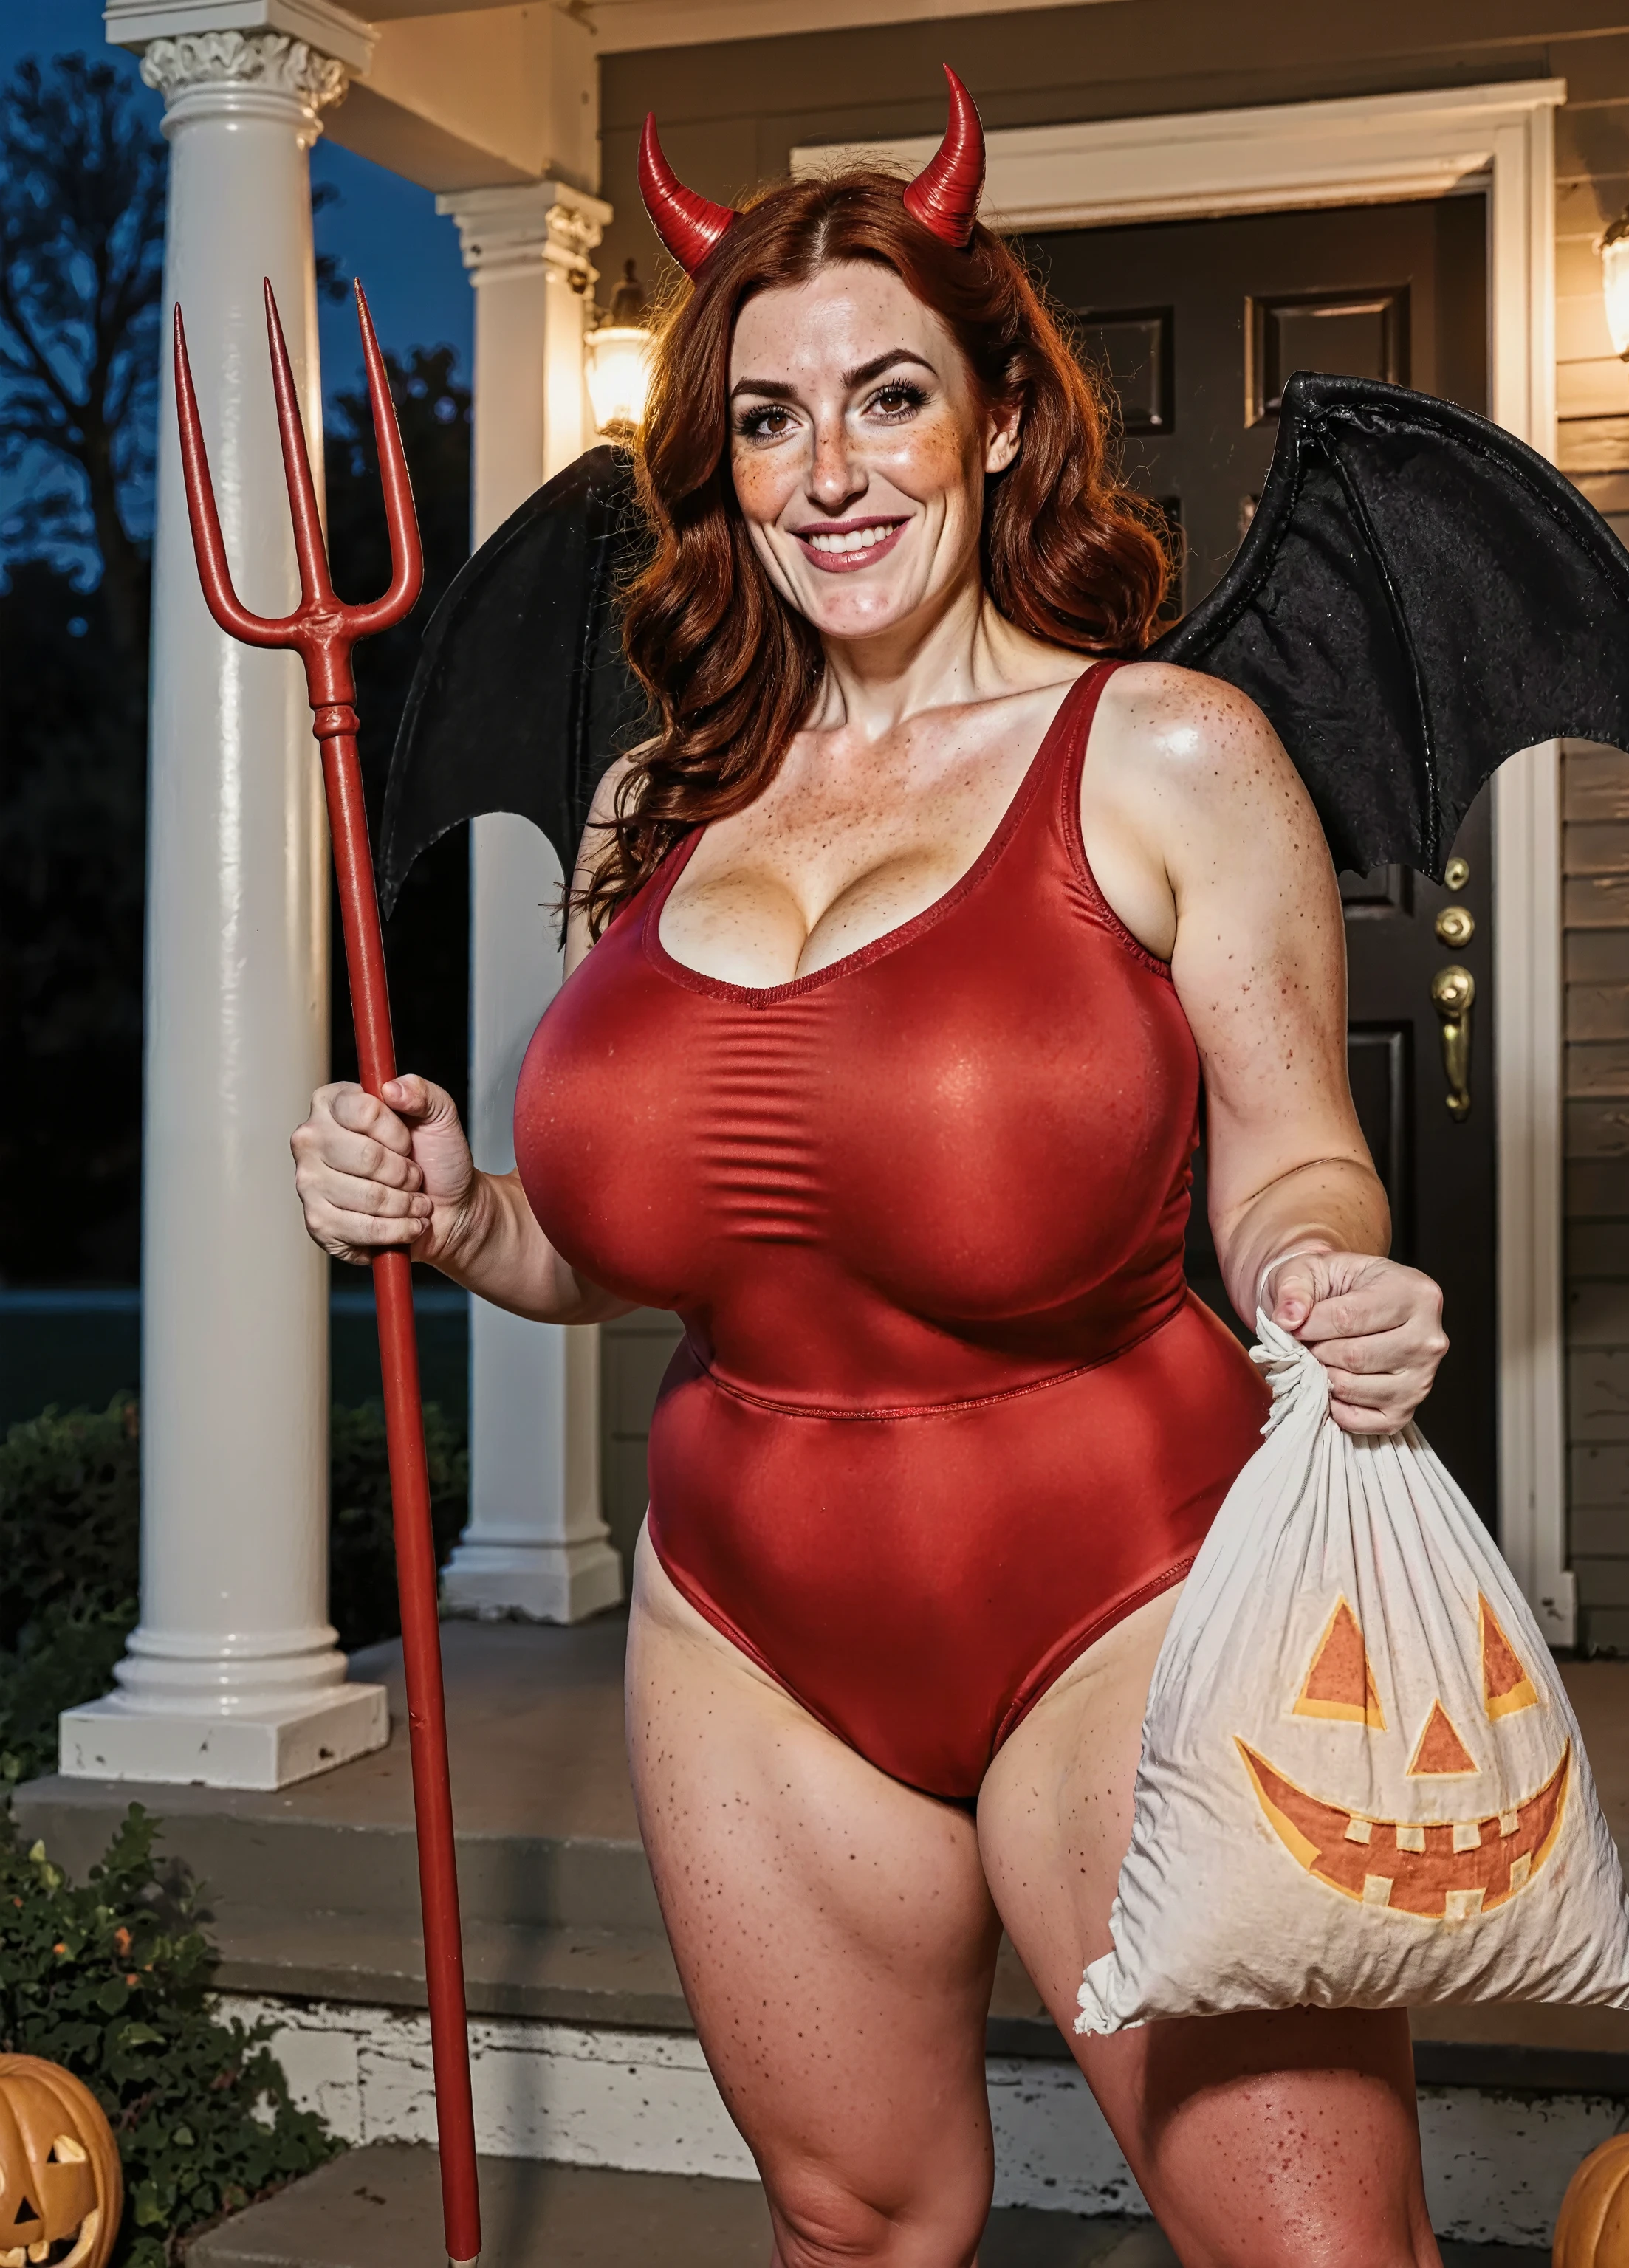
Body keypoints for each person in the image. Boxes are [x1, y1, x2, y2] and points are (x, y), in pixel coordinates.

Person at [291, 72, 1450, 2268]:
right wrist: (455, 1214)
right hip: (748, 1619)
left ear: (1004, 416)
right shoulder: (662, 796)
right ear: (719, 468)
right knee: (854, 2220)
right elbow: (619, 1255)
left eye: (888, 396)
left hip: (1126, 1584)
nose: (829, 472)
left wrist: (1329, 1279)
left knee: (1313, 2246)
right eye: (767, 420)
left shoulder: (1169, 753)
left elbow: (1296, 1160)